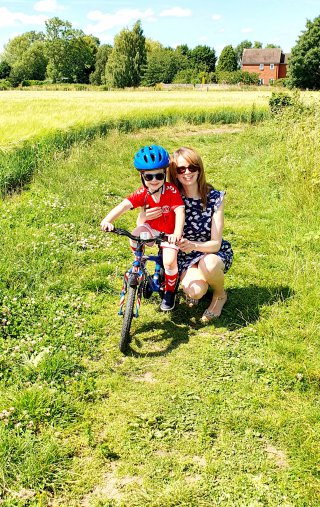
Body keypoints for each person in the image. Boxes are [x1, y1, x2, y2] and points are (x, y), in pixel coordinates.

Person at [138, 146, 233, 322]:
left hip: (210, 251)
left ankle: (220, 295)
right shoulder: (170, 195)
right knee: (195, 292)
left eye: (192, 167)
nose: (187, 173)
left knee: (210, 264)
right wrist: (145, 215)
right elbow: (143, 217)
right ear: (174, 172)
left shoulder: (214, 198)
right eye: (181, 169)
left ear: (199, 169)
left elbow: (216, 243)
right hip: (182, 255)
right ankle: (198, 285)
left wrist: (193, 245)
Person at [100, 145, 185, 311]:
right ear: (142, 176)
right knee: (135, 234)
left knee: (169, 262)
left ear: (165, 174)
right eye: (149, 176)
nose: (154, 180)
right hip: (151, 229)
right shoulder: (142, 193)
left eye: (159, 175)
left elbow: (180, 211)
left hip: (169, 232)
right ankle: (138, 261)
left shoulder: (171, 190)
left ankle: (169, 293)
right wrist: (107, 220)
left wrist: (176, 233)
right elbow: (124, 206)